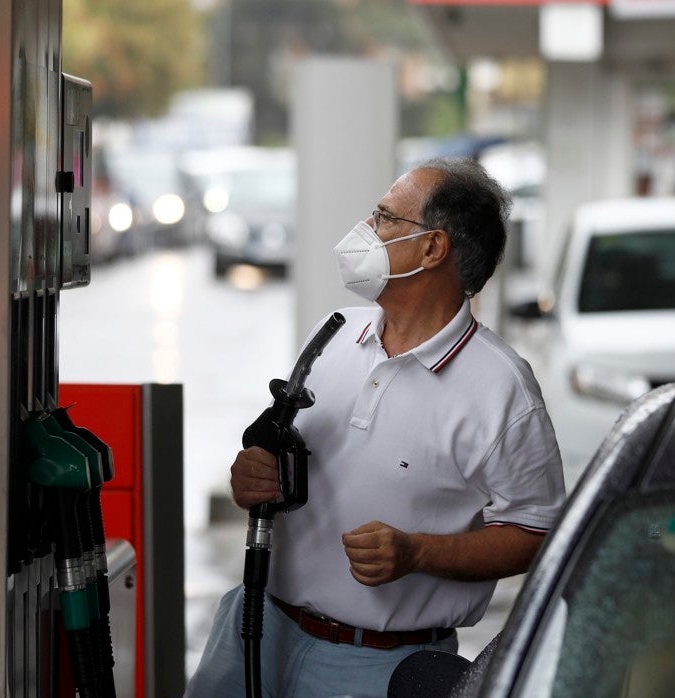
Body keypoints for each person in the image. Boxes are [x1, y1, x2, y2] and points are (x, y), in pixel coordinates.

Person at [185, 159, 566, 698]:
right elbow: (285, 461)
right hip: (253, 628)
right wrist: (253, 478)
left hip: (381, 666)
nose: (366, 229)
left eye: (386, 218)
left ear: (434, 249)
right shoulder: (334, 335)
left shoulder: (501, 388)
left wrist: (418, 554)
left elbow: (538, 532)